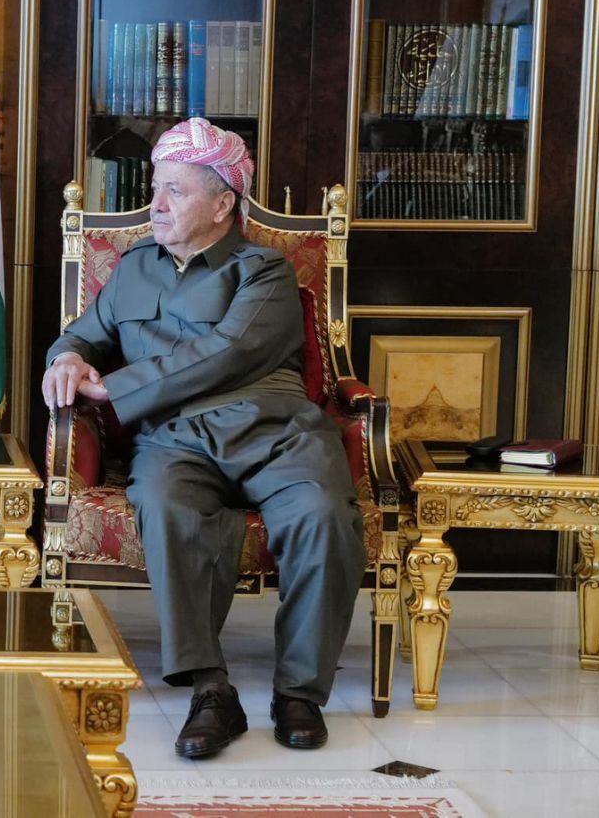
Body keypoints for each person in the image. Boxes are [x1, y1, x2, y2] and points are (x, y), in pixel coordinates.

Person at [40, 118, 364, 759]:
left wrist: (118, 388)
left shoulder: (265, 271)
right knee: (166, 505)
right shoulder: (134, 269)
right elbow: (83, 333)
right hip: (175, 439)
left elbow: (229, 351)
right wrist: (68, 358)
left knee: (323, 515)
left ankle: (298, 693)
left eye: (175, 191)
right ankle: (211, 690)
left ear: (222, 205)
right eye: (155, 187)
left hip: (275, 433)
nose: (155, 204)